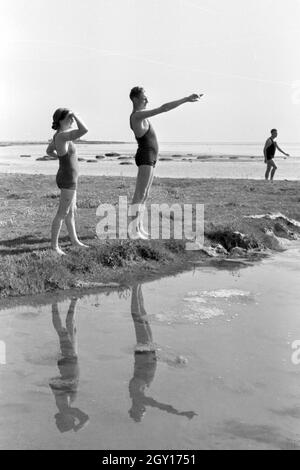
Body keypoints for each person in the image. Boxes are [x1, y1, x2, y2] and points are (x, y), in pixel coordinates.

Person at [129, 88, 203, 239]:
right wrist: (186, 99)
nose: (147, 101)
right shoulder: (137, 116)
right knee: (140, 193)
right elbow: (163, 108)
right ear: (135, 99)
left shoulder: (142, 117)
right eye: (144, 98)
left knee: (145, 194)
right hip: (145, 157)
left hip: (150, 157)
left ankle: (139, 227)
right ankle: (133, 230)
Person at [129, 284, 197, 422]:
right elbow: (158, 405)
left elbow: (158, 405)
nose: (144, 407)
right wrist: (179, 413)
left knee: (138, 317)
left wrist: (179, 413)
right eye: (143, 410)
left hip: (145, 351)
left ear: (136, 408)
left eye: (141, 409)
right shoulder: (138, 393)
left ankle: (136, 285)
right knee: (140, 316)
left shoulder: (137, 394)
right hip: (147, 352)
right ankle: (137, 285)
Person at [46, 109, 89, 255]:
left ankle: (75, 241)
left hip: (69, 177)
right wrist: (76, 114)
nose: (72, 120)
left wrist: (59, 157)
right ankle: (54, 246)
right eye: (69, 118)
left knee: (71, 212)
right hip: (67, 179)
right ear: (61, 120)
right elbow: (84, 130)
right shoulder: (62, 136)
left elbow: (49, 150)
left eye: (72, 118)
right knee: (62, 213)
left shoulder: (59, 136)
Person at [49, 298, 90, 433]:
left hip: (70, 362)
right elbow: (54, 384)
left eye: (71, 420)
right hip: (69, 363)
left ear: (66, 418)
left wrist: (78, 427)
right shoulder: (64, 407)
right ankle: (70, 300)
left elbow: (85, 418)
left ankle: (56, 302)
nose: (73, 417)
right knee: (69, 327)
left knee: (63, 329)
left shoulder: (66, 408)